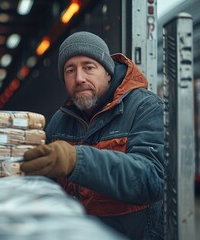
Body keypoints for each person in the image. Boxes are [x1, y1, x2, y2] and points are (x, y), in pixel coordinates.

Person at [20, 31, 164, 240]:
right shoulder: (59, 121)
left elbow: (151, 180)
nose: (79, 78)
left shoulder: (145, 107)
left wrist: (77, 160)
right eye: (70, 70)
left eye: (88, 67)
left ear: (108, 72)